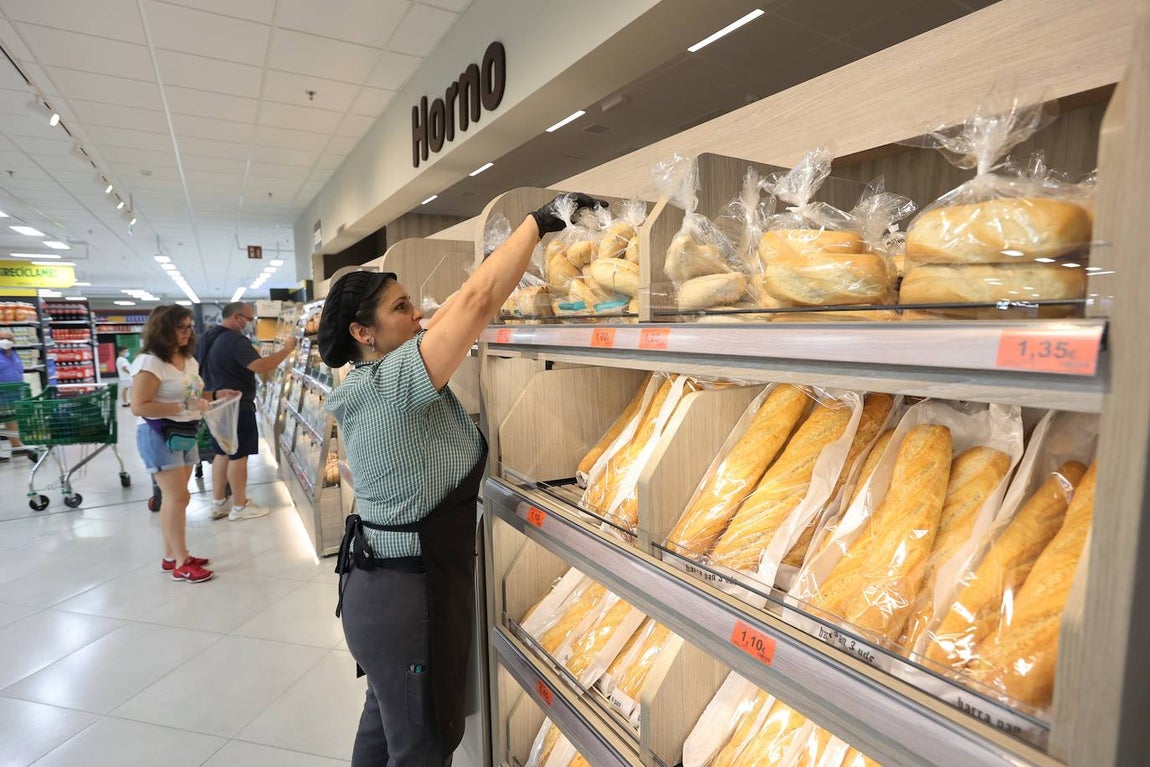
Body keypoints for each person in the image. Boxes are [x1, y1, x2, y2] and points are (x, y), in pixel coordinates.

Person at [319, 192, 606, 766]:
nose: (418, 316)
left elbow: (451, 308)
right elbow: (472, 302)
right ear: (363, 332)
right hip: (408, 593)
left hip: (376, 587)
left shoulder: (364, 383)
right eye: (402, 309)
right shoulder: (395, 384)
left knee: (385, 726)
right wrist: (541, 221)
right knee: (422, 748)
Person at [131, 305, 237, 583]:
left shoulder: (187, 359)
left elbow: (194, 393)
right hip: (158, 434)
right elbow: (139, 406)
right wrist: (182, 405)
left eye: (189, 326)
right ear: (162, 329)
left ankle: (172, 556)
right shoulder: (150, 362)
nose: (188, 332)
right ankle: (181, 561)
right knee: (176, 498)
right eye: (181, 327)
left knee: (180, 498)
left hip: (186, 431)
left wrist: (215, 394)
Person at [197, 302, 297, 521]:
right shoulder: (235, 340)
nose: (249, 324)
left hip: (216, 405)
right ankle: (240, 506)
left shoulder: (208, 337)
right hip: (237, 405)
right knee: (238, 456)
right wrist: (286, 350)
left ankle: (219, 502)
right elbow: (260, 366)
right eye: (248, 319)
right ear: (236, 317)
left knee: (222, 453)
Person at [0, 329, 25, 460]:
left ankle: (16, 447)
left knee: (12, 420)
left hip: (14, 393)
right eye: (2, 338)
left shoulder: (15, 354)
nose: (5, 341)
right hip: (0, 393)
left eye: (9, 339)